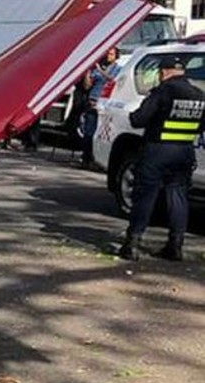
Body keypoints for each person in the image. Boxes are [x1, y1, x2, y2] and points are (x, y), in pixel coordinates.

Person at [118, 56, 205, 261]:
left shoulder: (163, 91)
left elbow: (139, 119)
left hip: (157, 151)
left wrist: (132, 113)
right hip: (183, 152)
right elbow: (201, 126)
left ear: (163, 72)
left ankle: (133, 243)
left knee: (145, 196)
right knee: (178, 197)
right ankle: (175, 246)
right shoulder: (199, 95)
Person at [81, 47, 120, 169]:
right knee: (89, 132)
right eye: (107, 54)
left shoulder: (117, 69)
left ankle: (98, 159)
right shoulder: (96, 69)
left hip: (104, 103)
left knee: (101, 133)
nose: (108, 56)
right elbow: (87, 86)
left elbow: (112, 80)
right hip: (92, 100)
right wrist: (87, 73)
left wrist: (100, 71)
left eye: (111, 54)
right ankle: (86, 158)